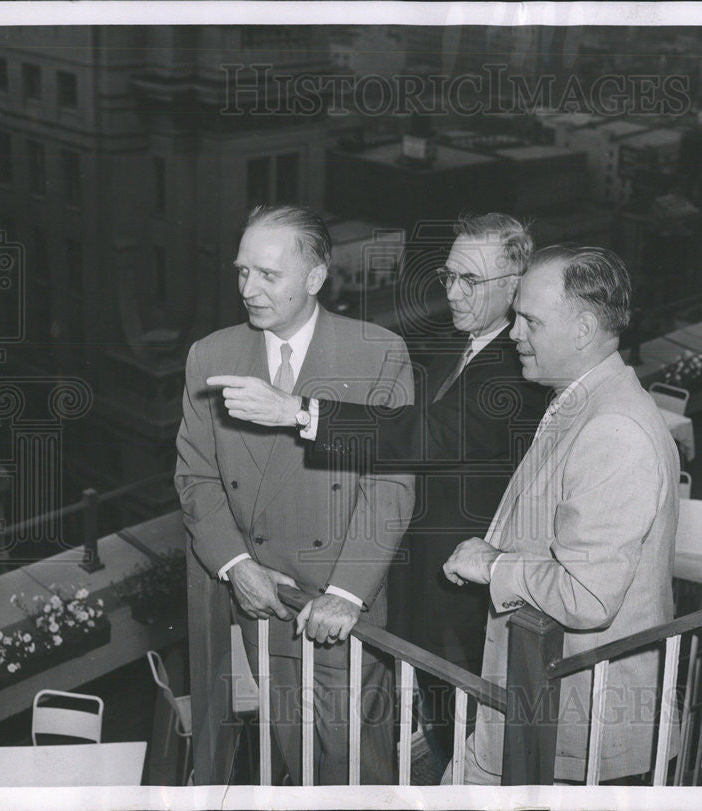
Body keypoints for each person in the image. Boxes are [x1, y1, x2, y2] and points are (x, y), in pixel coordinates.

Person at [209, 213, 550, 777]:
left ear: (516, 286)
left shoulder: (518, 367)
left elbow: (429, 435)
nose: (452, 293)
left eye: (471, 282)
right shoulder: (457, 346)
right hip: (421, 583)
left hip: (462, 598)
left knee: (468, 734)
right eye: (448, 276)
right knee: (438, 723)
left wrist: (298, 411)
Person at [175, 204, 415, 785]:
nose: (249, 289)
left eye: (267, 275)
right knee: (292, 748)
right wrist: (236, 566)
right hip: (263, 598)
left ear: (314, 278)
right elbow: (196, 476)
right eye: (242, 272)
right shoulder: (210, 356)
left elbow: (390, 483)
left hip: (341, 601)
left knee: (358, 765)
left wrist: (346, 593)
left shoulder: (377, 351)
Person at [441, 245, 680, 784]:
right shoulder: (585, 400)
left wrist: (494, 568)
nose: (513, 333)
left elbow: (588, 596)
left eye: (530, 320)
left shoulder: (614, 430)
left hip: (580, 730)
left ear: (584, 327)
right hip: (539, 705)